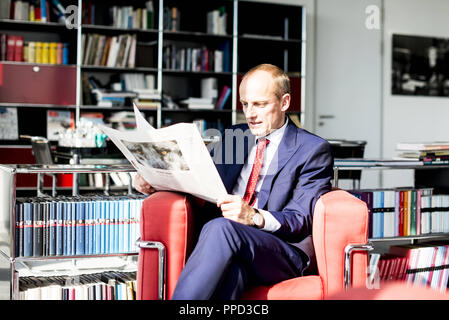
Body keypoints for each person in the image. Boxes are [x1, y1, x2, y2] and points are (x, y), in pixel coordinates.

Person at [133, 64, 334, 300]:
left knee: (222, 228)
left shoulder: (312, 149)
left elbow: (301, 218)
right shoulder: (234, 137)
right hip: (228, 244)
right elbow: (197, 176)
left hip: (282, 249)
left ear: (284, 102)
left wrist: (254, 216)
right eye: (245, 104)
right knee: (232, 273)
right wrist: (153, 180)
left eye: (260, 104)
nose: (250, 114)